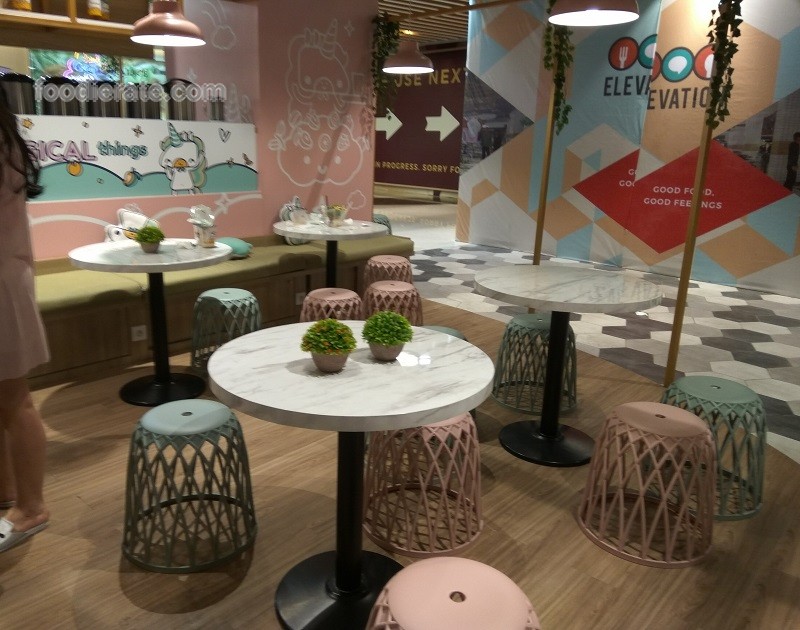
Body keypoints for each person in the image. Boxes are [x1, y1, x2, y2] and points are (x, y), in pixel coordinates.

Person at [0, 88, 50, 553]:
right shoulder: (8, 141)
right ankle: (9, 491)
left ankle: (30, 507)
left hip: (3, 284)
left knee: (15, 399)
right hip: (10, 276)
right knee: (8, 398)